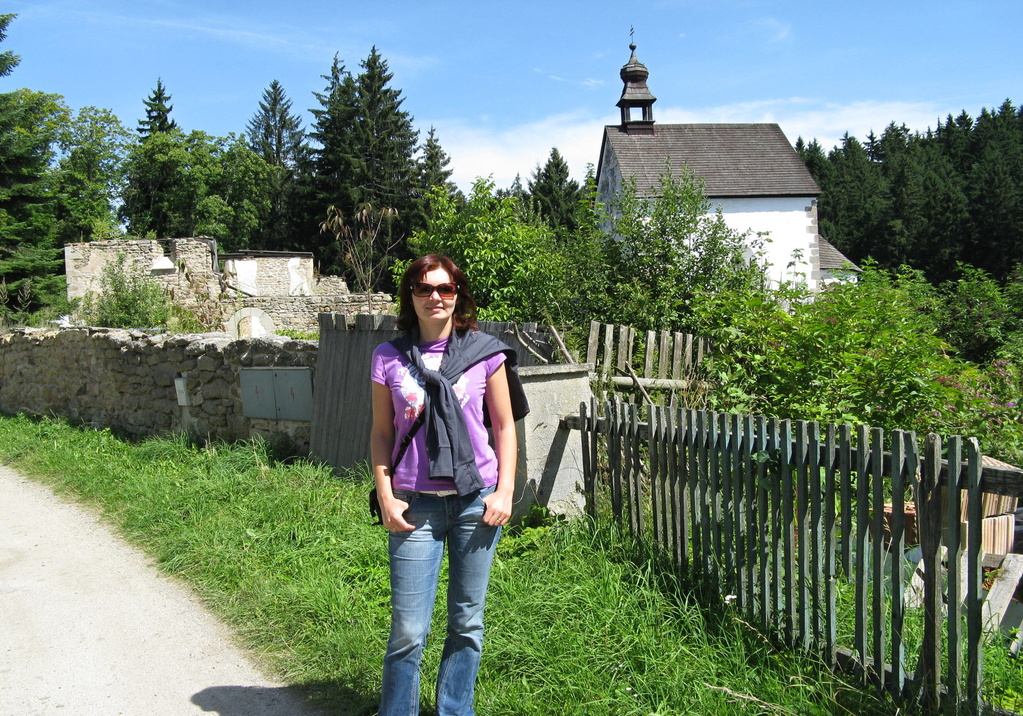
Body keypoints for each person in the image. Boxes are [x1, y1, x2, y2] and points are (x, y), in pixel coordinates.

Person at [370, 254, 525, 716]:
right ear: (410, 296)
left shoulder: (486, 354)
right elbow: (381, 433)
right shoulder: (388, 357)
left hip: (476, 502)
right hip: (413, 505)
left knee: (467, 622)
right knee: (408, 630)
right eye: (423, 288)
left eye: (445, 288)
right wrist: (385, 495)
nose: (434, 297)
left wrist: (505, 491)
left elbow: (505, 427)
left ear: (459, 295)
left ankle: (455, 710)